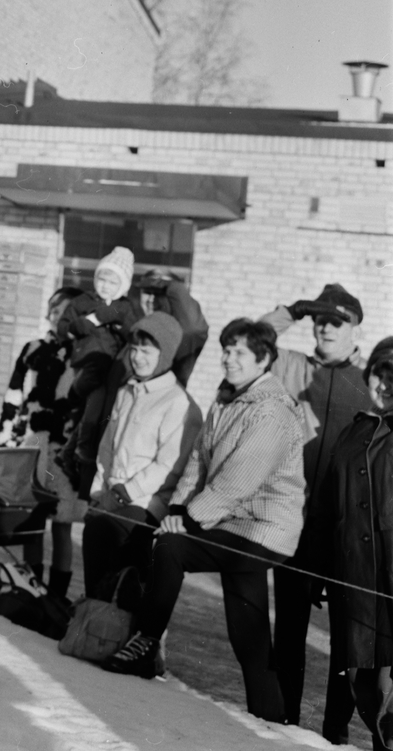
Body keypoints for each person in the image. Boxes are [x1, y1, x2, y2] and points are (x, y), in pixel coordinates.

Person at [103, 319, 305, 724]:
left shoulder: (271, 411)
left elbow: (238, 480)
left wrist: (187, 524)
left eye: (239, 353)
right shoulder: (227, 401)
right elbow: (198, 463)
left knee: (173, 548)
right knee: (247, 629)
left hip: (263, 528)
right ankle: (271, 720)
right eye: (226, 351)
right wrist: (177, 511)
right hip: (231, 524)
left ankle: (146, 641)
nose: (228, 359)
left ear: (263, 360)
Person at [264, 283, 371, 739]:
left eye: (337, 319)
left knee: (346, 639)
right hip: (295, 523)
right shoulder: (291, 367)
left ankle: (335, 732)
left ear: (355, 328)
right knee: (288, 630)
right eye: (320, 317)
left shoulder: (370, 382)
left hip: (346, 531)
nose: (326, 326)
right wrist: (291, 311)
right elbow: (252, 340)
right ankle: (284, 720)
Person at [82, 312, 202, 595]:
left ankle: (123, 619)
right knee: (102, 543)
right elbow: (107, 449)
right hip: (114, 495)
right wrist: (99, 493)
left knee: (101, 535)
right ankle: (96, 613)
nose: (137, 357)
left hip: (148, 501)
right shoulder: (127, 392)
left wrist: (125, 492)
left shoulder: (179, 403)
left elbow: (169, 465)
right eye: (134, 349)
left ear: (165, 353)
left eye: (146, 351)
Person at [324, 336, 393, 751]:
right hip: (355, 576)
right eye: (378, 375)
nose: (384, 384)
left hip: (389, 578)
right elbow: (329, 505)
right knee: (361, 681)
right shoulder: (354, 431)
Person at [0, 285, 83, 599]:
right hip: (32, 441)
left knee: (62, 524)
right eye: (57, 311)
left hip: (62, 449)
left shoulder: (82, 354)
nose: (61, 319)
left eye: (69, 314)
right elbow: (14, 392)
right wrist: (6, 435)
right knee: (32, 520)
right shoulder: (33, 349)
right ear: (48, 313)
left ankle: (56, 598)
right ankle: (30, 588)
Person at [56, 247, 143, 498]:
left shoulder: (125, 307)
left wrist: (111, 318)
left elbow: (132, 331)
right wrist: (76, 327)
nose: (105, 285)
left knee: (93, 416)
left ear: (123, 284)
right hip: (86, 365)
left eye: (112, 281)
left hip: (109, 371)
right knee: (88, 413)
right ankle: (79, 453)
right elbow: (63, 326)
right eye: (101, 279)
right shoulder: (82, 302)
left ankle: (74, 453)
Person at [136, 271, 209, 388]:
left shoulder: (180, 336)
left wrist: (173, 286)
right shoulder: (130, 325)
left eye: (160, 294)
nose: (151, 299)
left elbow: (194, 329)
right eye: (147, 292)